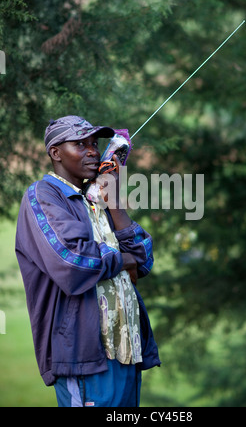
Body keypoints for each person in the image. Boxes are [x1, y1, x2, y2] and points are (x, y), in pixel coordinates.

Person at [15, 115, 160, 407]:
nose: (92, 151)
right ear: (55, 152)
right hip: (85, 356)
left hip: (127, 351)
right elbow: (73, 260)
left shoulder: (95, 198)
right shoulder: (42, 195)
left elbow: (143, 258)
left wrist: (113, 200)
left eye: (94, 143)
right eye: (80, 144)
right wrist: (123, 258)